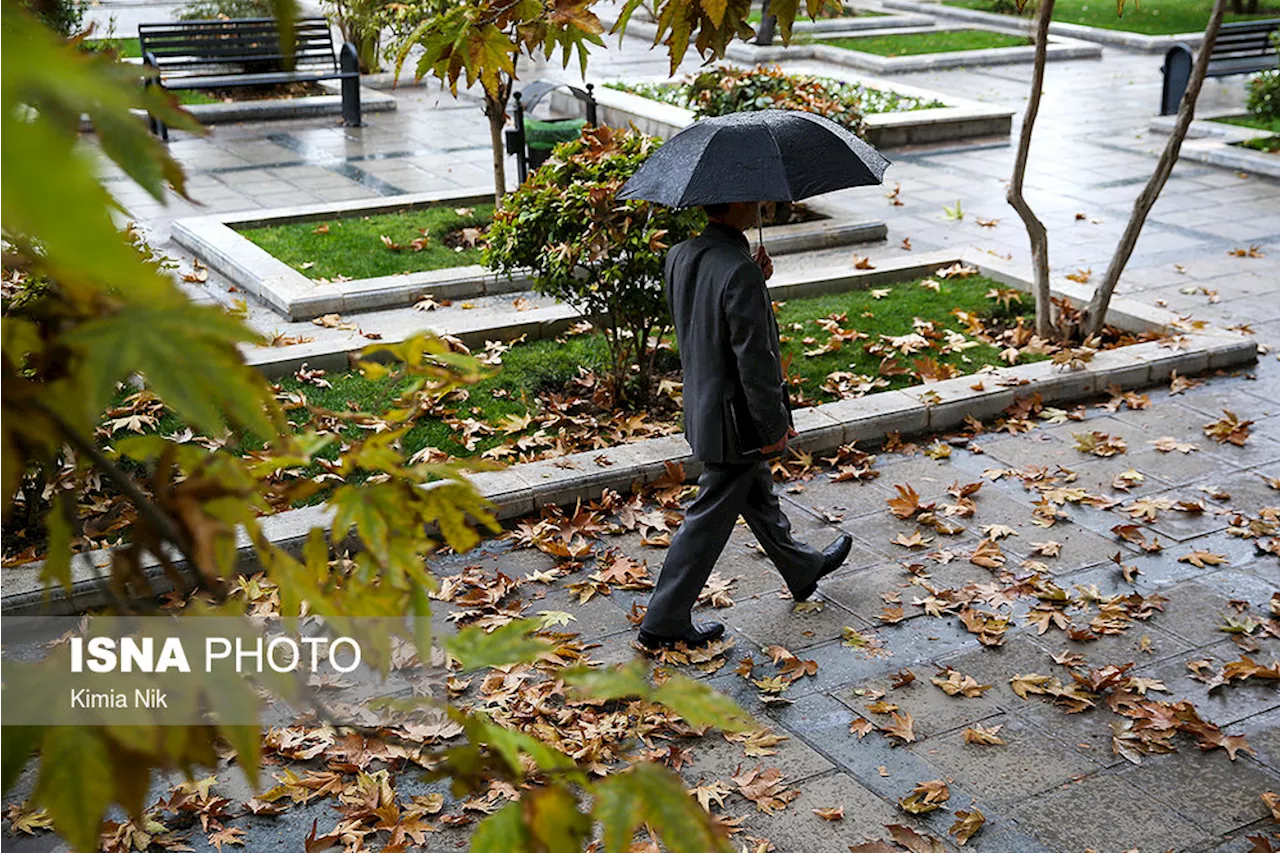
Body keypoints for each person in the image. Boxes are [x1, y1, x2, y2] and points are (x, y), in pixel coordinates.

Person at [638, 201, 853, 649]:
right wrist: (773, 426)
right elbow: (754, 360)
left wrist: (754, 279)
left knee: (755, 493)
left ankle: (802, 568)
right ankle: (663, 620)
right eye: (753, 199)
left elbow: (705, 313)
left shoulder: (681, 253)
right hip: (737, 421)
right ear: (737, 204)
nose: (761, 204)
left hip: (704, 406)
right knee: (708, 516)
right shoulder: (738, 271)